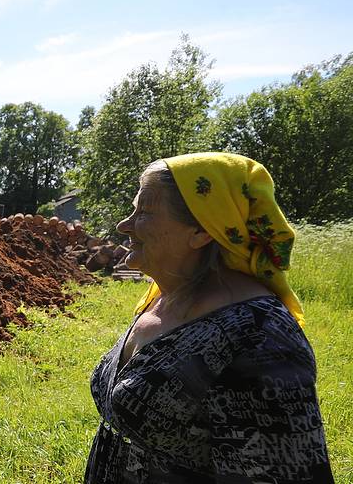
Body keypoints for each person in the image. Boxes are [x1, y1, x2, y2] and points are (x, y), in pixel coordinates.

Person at [85, 152, 332, 483]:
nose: (124, 225)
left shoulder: (260, 338)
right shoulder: (165, 298)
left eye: (143, 212)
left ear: (202, 230)